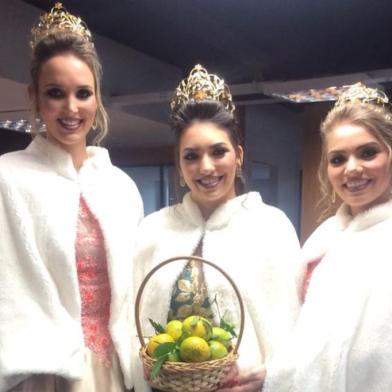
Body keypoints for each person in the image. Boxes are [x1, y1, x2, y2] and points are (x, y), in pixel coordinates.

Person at [131, 64, 302, 392]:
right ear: (180, 166)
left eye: (218, 151)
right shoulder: (153, 231)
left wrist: (271, 374)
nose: (205, 167)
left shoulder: (271, 227)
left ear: (238, 155)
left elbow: (292, 329)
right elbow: (132, 323)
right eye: (191, 156)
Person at [0, 3, 143, 391]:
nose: (71, 107)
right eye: (55, 93)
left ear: (97, 99)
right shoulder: (7, 177)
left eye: (83, 93)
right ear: (34, 96)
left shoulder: (119, 187)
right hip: (41, 370)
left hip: (112, 368)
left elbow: (133, 290)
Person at [263, 82, 392, 392]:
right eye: (338, 159)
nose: (352, 169)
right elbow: (302, 341)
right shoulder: (322, 241)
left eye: (368, 153)